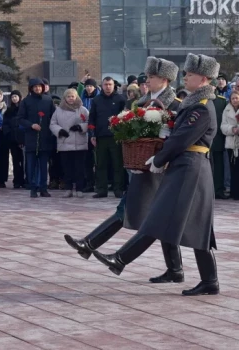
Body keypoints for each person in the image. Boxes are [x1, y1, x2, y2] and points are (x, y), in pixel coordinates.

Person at [91, 53, 220, 296]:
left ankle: (121, 259)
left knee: (162, 217)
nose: (186, 77)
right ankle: (209, 281)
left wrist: (159, 158)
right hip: (186, 168)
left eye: (190, 74)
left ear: (203, 79)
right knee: (195, 226)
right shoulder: (193, 103)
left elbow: (182, 138)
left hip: (191, 168)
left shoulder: (201, 108)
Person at [64, 56, 185, 284]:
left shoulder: (176, 104)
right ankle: (174, 269)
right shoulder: (140, 104)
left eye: (152, 77)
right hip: (141, 165)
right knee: (145, 213)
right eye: (147, 76)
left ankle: (93, 246)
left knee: (149, 215)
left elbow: (178, 137)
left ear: (166, 79)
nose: (147, 80)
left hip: (163, 169)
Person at [17, 78, 56, 198]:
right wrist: (31, 125)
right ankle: (33, 188)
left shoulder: (48, 100)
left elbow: (54, 117)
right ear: (31, 88)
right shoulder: (26, 101)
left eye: (40, 86)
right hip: (31, 138)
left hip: (45, 138)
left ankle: (43, 188)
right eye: (35, 87)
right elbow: (20, 119)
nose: (38, 88)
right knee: (31, 165)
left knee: (44, 166)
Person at [88, 77, 127, 198]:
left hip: (116, 137)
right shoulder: (96, 100)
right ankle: (101, 189)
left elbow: (125, 117)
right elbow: (92, 118)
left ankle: (118, 189)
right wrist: (92, 134)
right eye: (105, 84)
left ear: (114, 85)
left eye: (110, 84)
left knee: (117, 164)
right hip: (100, 136)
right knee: (101, 164)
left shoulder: (120, 99)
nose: (108, 87)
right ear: (102, 85)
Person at [50, 88, 89, 198]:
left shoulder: (82, 109)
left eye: (73, 96)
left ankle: (80, 188)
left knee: (79, 168)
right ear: (65, 98)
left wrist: (80, 127)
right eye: (68, 96)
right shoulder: (58, 110)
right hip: (65, 143)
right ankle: (68, 188)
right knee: (67, 168)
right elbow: (52, 123)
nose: (71, 99)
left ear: (76, 97)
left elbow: (89, 122)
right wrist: (59, 131)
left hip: (79, 143)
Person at [2, 90, 26, 189]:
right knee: (15, 161)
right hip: (12, 139)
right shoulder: (8, 111)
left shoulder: (24, 109)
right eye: (12, 97)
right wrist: (9, 134)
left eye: (16, 96)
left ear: (20, 97)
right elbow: (5, 124)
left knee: (24, 161)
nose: (14, 98)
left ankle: (24, 180)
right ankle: (17, 180)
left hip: (23, 139)